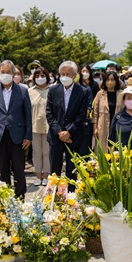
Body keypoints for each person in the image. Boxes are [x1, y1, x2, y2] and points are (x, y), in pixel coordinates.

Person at [0, 60, 32, 198]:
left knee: (19, 168)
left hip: (18, 135)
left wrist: (28, 136)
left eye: (8, 72)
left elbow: (28, 115)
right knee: (3, 169)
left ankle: (20, 197)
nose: (5, 74)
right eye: (2, 72)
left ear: (13, 73)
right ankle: (6, 197)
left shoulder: (22, 91)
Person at [46, 61, 89, 190]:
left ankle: (71, 198)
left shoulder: (83, 92)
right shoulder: (53, 90)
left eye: (68, 74)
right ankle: (53, 197)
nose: (64, 76)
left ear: (75, 75)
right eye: (62, 74)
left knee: (72, 172)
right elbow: (49, 113)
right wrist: (59, 132)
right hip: (55, 137)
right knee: (54, 171)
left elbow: (82, 116)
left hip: (74, 137)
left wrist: (68, 132)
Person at [28, 67, 51, 186]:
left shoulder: (52, 90)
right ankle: (38, 176)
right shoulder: (30, 91)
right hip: (34, 126)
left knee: (47, 153)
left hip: (49, 126)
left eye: (42, 75)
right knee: (36, 152)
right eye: (37, 76)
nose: (40, 78)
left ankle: (46, 175)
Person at [92, 71, 123, 151]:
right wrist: (95, 128)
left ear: (116, 81)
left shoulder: (121, 94)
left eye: (112, 79)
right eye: (108, 80)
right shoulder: (100, 94)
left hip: (118, 125)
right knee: (103, 150)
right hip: (103, 126)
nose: (110, 82)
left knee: (116, 150)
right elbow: (95, 113)